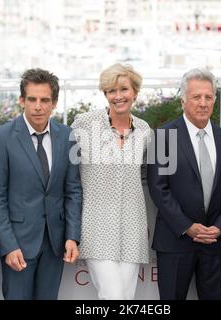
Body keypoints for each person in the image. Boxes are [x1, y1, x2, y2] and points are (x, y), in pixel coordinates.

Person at [147, 68, 221, 300]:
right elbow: (158, 188)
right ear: (183, 101)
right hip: (175, 241)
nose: (203, 103)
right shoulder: (162, 136)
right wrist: (187, 226)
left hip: (215, 241)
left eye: (208, 97)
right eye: (196, 97)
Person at [0, 68, 82, 300]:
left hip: (55, 244)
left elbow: (72, 190)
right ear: (22, 100)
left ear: (54, 103)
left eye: (45, 100)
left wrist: (72, 236)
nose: (38, 106)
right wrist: (8, 246)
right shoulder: (2, 136)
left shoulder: (68, 135)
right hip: (18, 244)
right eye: (32, 99)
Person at [71, 63, 151, 300]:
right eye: (111, 91)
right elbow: (65, 171)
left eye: (124, 89)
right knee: (113, 296)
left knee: (127, 296)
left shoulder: (144, 131)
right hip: (97, 226)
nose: (118, 96)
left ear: (135, 92)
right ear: (105, 94)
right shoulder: (84, 124)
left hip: (132, 228)